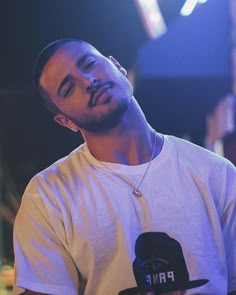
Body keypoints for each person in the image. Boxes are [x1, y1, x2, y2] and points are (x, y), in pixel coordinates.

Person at [13, 38, 236, 295]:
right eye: (68, 88)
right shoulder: (48, 197)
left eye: (89, 64)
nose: (88, 82)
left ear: (117, 66)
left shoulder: (216, 173)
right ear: (65, 121)